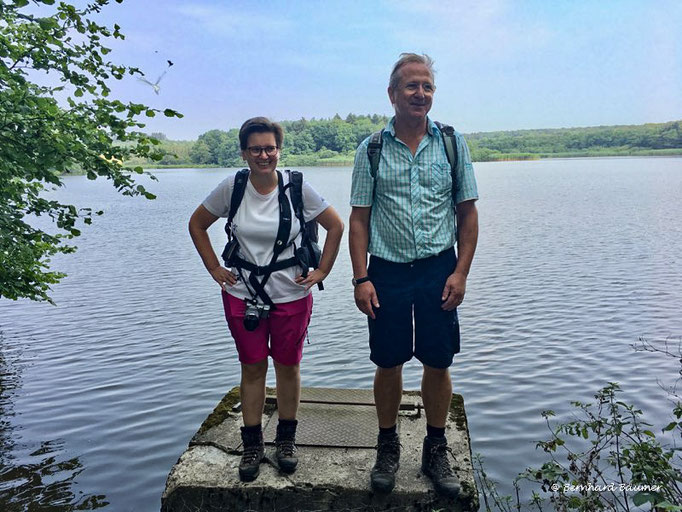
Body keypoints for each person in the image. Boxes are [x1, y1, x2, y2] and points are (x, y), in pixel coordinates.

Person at [349, 53, 479, 497]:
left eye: (426, 86)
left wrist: (461, 272)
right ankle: (388, 447)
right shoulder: (371, 149)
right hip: (385, 271)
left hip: (438, 269)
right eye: (411, 86)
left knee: (438, 360)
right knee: (388, 361)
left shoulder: (450, 142)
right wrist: (361, 278)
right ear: (392, 94)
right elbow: (359, 219)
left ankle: (435, 448)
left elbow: (467, 213)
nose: (420, 93)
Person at [189, 117, 344, 482]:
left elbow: (336, 225)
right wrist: (214, 268)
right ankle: (253, 445)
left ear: (279, 150)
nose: (264, 155)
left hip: (291, 293)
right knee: (253, 366)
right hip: (242, 294)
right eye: (256, 148)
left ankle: (286, 441)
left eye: (270, 148)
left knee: (288, 366)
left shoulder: (297, 187)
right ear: (244, 153)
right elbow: (196, 224)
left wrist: (322, 271)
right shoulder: (233, 187)